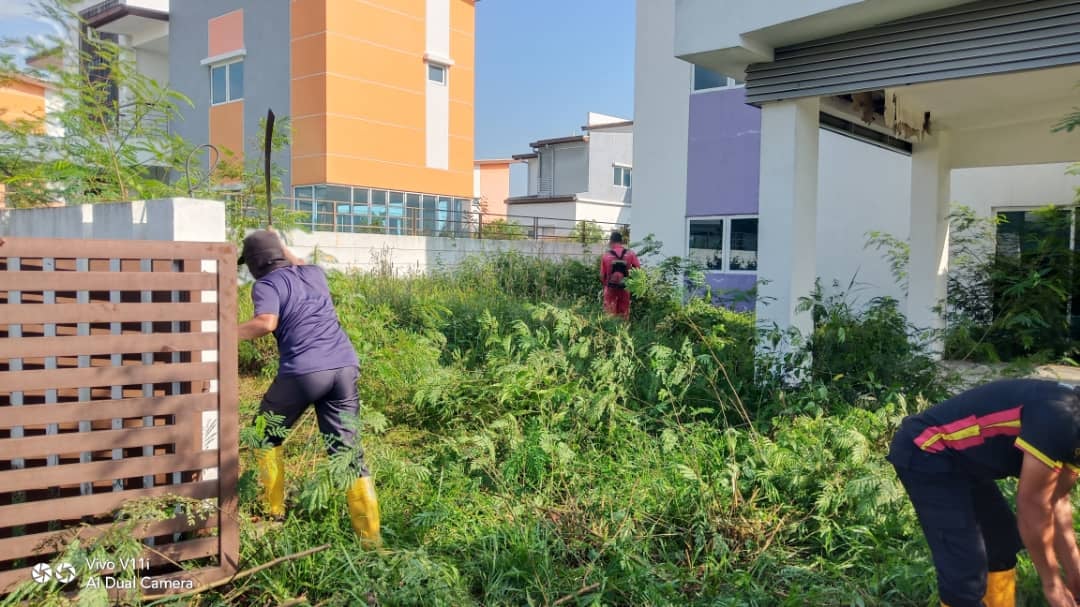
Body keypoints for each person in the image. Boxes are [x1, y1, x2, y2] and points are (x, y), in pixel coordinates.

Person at [237, 228, 381, 546]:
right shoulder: (313, 273)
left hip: (305, 372)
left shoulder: (266, 285)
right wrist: (280, 242)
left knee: (263, 433)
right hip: (344, 367)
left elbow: (266, 322)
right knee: (347, 452)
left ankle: (272, 515)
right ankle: (371, 541)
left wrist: (221, 333)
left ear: (254, 263)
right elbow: (297, 261)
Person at [887, 378, 1080, 607]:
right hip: (927, 449)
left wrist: (1075, 573)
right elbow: (1033, 506)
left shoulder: (1074, 425)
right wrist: (1053, 585)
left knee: (1000, 546)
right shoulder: (1061, 419)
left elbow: (1057, 500)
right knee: (965, 571)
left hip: (964, 462)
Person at [599, 231, 640, 320]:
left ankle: (610, 328)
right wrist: (632, 284)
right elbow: (638, 271)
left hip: (610, 289)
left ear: (611, 241)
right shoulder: (630, 254)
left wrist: (606, 286)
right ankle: (623, 328)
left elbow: (602, 276)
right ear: (621, 242)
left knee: (609, 315)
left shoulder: (606, 255)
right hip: (625, 288)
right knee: (624, 315)